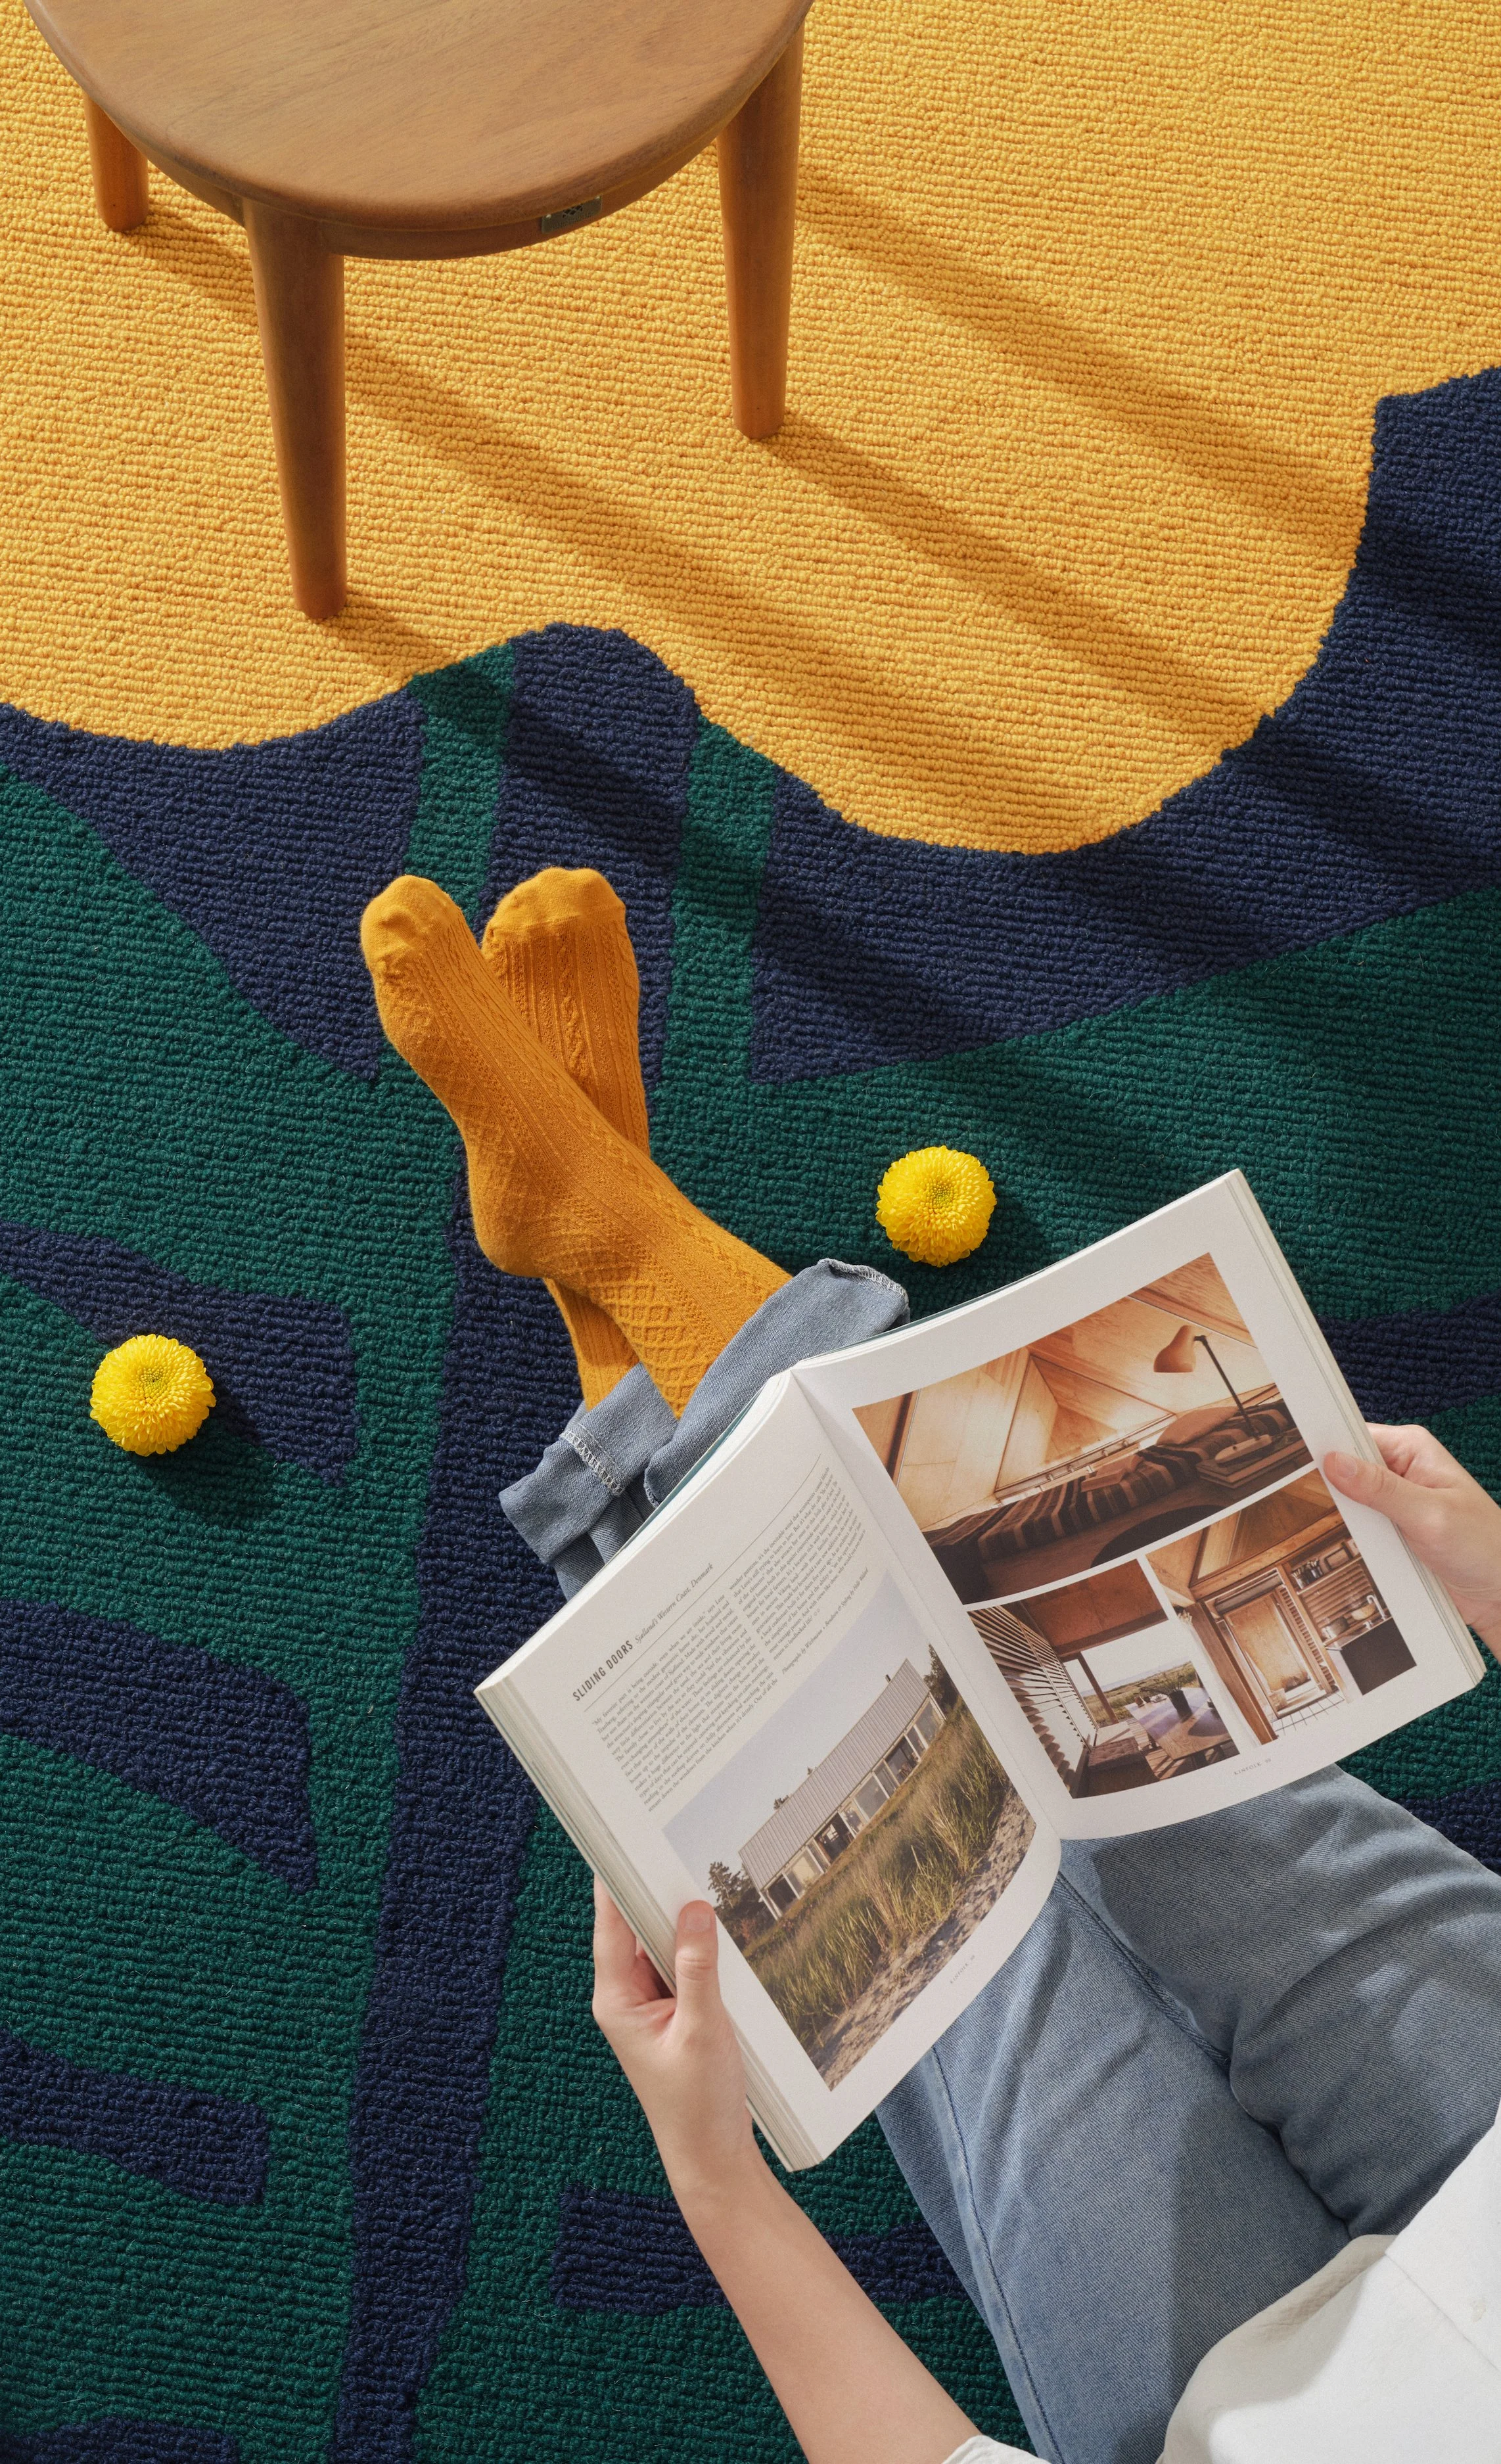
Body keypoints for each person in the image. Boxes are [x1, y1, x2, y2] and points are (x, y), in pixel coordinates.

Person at [361, 865, 1501, 2464]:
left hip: (1219, 2420)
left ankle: (609, 1240)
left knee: (959, 1907)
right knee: (1120, 1730)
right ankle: (608, 1248)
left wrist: (712, 2173)